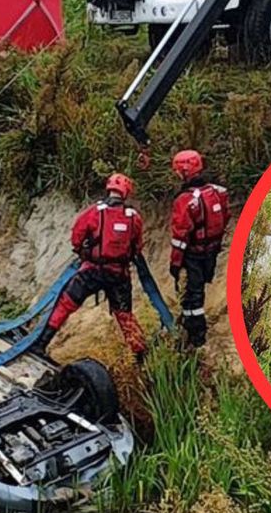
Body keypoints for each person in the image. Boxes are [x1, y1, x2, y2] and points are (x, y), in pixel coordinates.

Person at [31, 173, 147, 360]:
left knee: (65, 304)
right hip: (119, 275)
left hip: (92, 271)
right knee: (125, 315)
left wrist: (82, 252)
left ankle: (40, 344)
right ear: (127, 192)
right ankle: (141, 357)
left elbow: (77, 235)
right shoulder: (134, 218)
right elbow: (137, 245)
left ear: (109, 189)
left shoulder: (95, 212)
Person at [168, 149, 231, 348]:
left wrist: (175, 264)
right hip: (211, 251)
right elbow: (226, 217)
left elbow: (180, 235)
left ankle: (196, 337)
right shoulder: (217, 192)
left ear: (184, 172)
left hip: (193, 254)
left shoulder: (185, 200)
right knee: (199, 289)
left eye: (178, 171)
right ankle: (193, 327)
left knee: (191, 298)